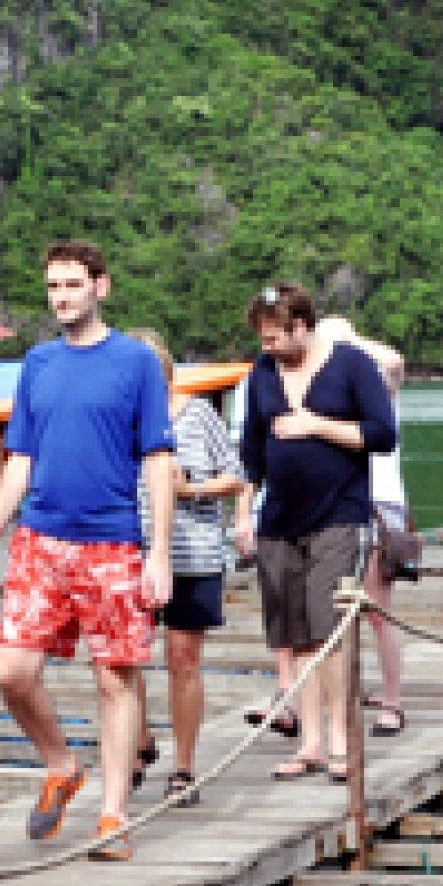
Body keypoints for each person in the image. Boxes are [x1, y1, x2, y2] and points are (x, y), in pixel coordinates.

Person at [0, 240, 175, 862]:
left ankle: (114, 815)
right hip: (40, 537)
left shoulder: (136, 363)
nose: (62, 297)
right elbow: (20, 457)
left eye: (72, 284)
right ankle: (61, 765)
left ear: (100, 287)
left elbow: (158, 460)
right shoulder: (38, 363)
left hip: (112, 541)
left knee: (116, 678)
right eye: (53, 286)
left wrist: (160, 552)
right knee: (13, 672)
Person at [234, 284, 397, 785]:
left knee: (330, 630)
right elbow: (252, 452)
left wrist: (316, 425)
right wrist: (243, 512)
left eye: (274, 338)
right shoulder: (263, 372)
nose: (267, 347)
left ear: (301, 326)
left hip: (338, 514)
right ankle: (311, 743)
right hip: (279, 520)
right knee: (296, 633)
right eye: (262, 339)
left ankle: (343, 742)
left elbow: (382, 434)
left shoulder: (351, 365)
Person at [128, 329, 246, 806]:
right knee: (123, 656)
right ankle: (139, 740)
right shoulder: (121, 417)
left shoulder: (197, 414)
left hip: (192, 553)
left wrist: (190, 488)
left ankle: (183, 765)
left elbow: (236, 475)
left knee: (182, 659)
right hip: (130, 551)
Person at [314, 317, 411, 738]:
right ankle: (334, 698)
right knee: (327, 612)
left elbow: (395, 362)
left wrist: (348, 339)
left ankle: (392, 702)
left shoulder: (379, 384)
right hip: (332, 503)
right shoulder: (322, 388)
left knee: (377, 608)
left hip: (379, 503)